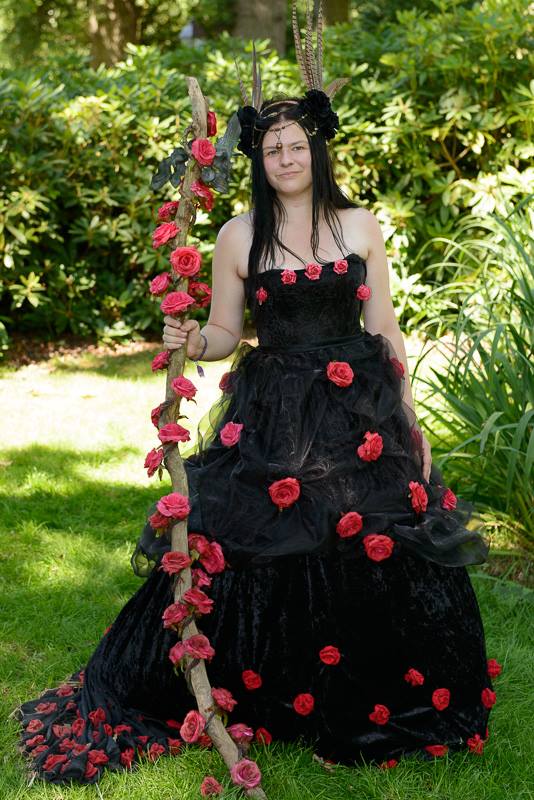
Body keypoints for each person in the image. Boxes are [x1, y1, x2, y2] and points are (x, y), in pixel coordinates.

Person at [16, 52, 494, 788]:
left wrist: (409, 417)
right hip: (275, 411)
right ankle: (271, 690)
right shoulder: (239, 236)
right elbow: (224, 331)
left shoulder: (359, 225)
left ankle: (364, 697)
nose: (286, 158)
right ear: (258, 161)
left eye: (297, 145)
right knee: (262, 542)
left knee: (368, 539)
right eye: (272, 150)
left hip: (360, 410)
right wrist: (189, 338)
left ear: (317, 149)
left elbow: (385, 329)